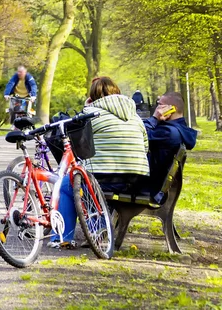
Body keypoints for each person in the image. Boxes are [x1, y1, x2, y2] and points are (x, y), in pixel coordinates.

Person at [49, 76, 149, 248]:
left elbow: (77, 147)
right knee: (92, 181)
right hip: (135, 180)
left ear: (92, 96)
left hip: (104, 179)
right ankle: (99, 230)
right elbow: (145, 146)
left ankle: (61, 237)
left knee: (65, 186)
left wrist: (86, 108)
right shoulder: (135, 116)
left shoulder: (92, 114)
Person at [143, 91, 197, 201]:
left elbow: (137, 135)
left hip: (147, 187)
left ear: (172, 108)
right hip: (154, 184)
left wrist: (154, 118)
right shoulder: (179, 129)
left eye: (160, 104)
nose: (157, 108)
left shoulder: (168, 132)